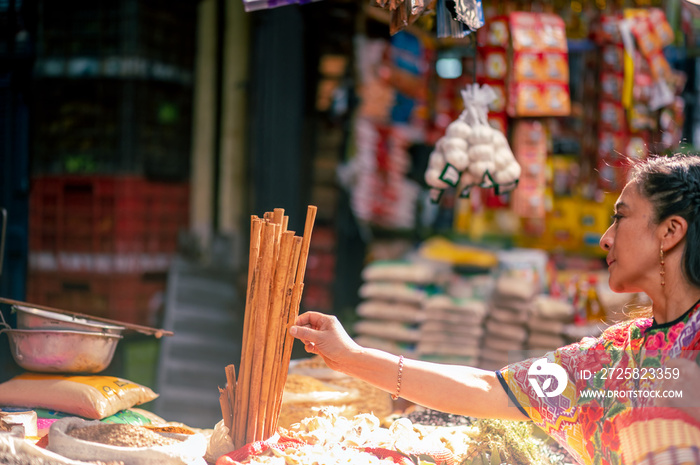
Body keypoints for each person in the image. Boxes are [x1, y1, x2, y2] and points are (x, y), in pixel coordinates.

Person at [290, 153, 700, 465]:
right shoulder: (611, 359)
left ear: (670, 231)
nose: (605, 239)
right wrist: (351, 357)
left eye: (621, 218)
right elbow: (492, 390)